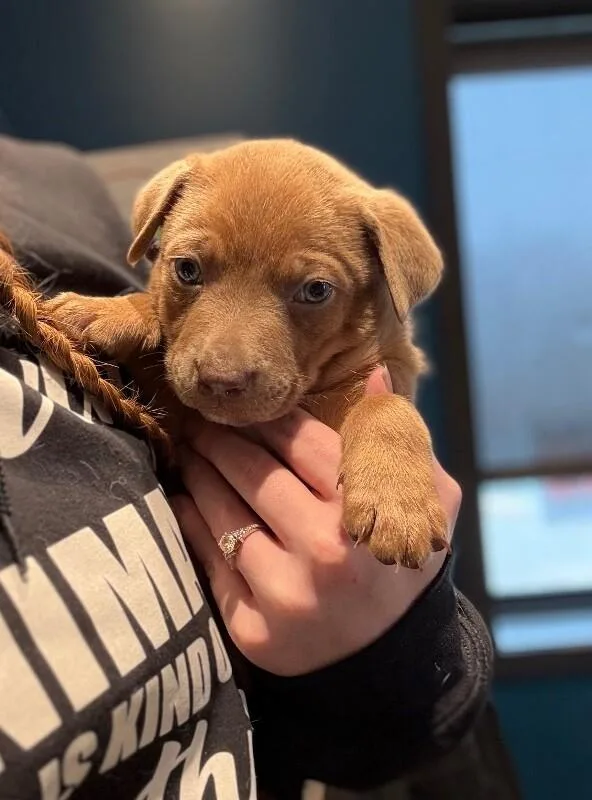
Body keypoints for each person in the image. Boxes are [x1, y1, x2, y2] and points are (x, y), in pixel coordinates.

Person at [0, 135, 497, 800]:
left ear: (382, 287)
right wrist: (143, 313)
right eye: (188, 271)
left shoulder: (56, 183)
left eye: (313, 289)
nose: (224, 365)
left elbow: (414, 725)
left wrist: (390, 431)